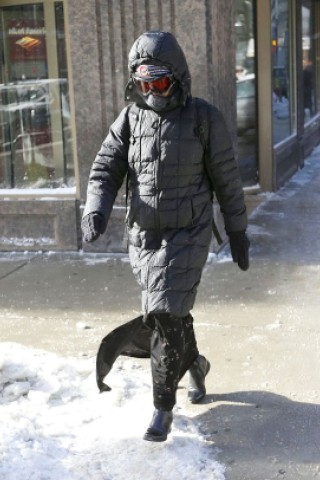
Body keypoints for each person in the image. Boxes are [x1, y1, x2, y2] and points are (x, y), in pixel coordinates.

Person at [81, 31, 250, 442]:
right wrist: (96, 209)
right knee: (169, 314)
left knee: (165, 314)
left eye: (159, 82)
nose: (151, 91)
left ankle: (162, 407)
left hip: (188, 232)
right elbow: (105, 169)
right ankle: (196, 364)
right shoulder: (130, 118)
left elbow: (227, 181)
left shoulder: (204, 118)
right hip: (143, 236)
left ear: (177, 77)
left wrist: (238, 230)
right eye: (143, 84)